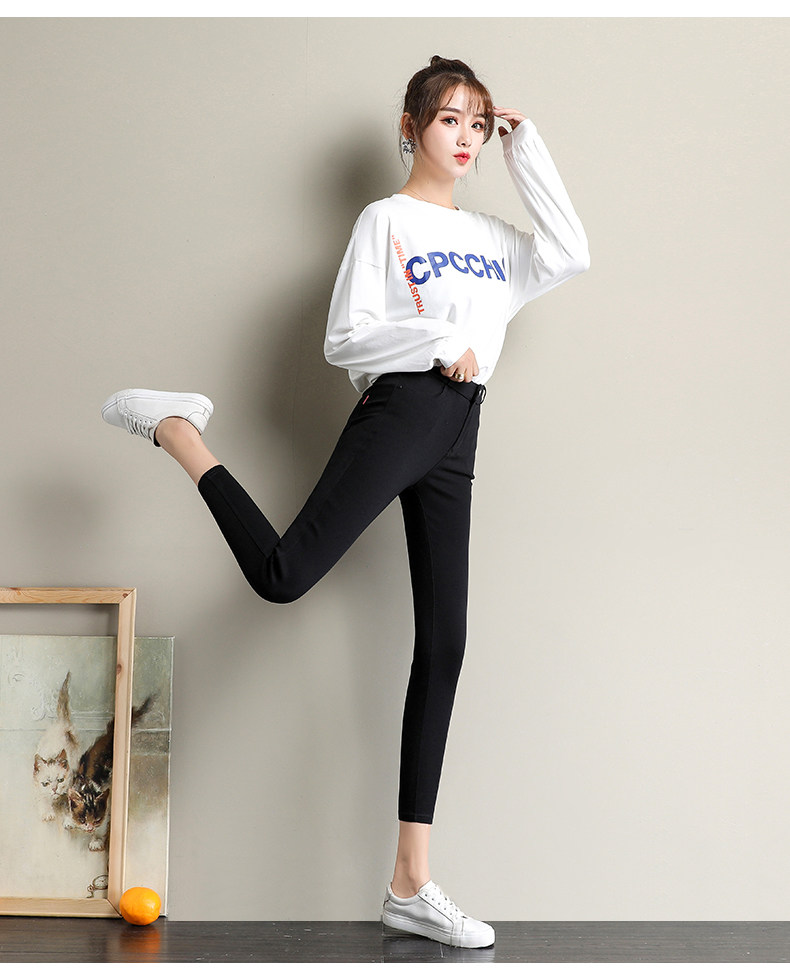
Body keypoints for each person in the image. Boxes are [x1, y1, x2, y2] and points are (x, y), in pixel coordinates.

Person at [101, 56, 589, 949]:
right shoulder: (384, 221)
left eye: (478, 124)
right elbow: (345, 338)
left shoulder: (495, 239)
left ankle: (410, 882)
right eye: (449, 119)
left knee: (445, 643)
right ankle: (177, 429)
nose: (466, 137)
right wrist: (438, 339)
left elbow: (570, 252)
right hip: (404, 407)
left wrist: (529, 149)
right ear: (410, 126)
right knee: (284, 575)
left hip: (460, 428)